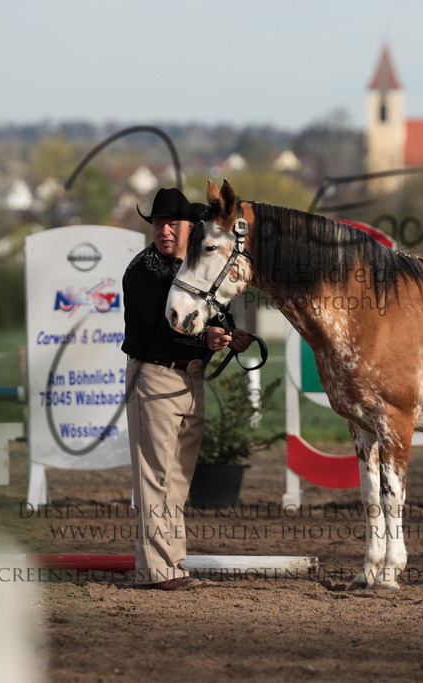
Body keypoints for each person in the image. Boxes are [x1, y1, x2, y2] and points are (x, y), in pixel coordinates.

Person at [122, 187, 253, 590]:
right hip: (156, 375)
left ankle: (167, 567)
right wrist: (208, 339)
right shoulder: (142, 271)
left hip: (190, 379)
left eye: (171, 224)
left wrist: (230, 334)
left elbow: (216, 312)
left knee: (176, 479)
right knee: (155, 477)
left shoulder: (197, 268)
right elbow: (158, 330)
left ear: (187, 227)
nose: (163, 231)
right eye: (158, 224)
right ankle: (160, 572)